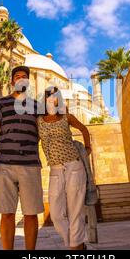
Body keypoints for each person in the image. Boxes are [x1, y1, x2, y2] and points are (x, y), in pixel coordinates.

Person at [0, 65, 44, 250]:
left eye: (24, 77)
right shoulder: (1, 103)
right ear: (12, 81)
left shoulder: (37, 106)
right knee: (7, 214)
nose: (20, 79)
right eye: (17, 76)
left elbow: (45, 132)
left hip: (31, 166)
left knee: (31, 214)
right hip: (4, 165)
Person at [37, 86, 92, 250]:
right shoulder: (38, 120)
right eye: (48, 96)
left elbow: (84, 129)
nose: (51, 98)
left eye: (54, 96)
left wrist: (87, 148)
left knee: (75, 210)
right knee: (55, 213)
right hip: (55, 170)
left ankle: (75, 248)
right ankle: (74, 244)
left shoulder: (66, 117)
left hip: (74, 165)